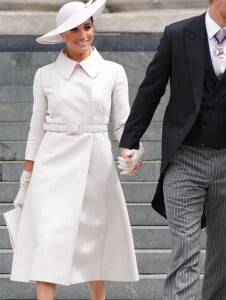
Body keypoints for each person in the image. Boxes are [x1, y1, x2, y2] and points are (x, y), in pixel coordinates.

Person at [118, 0, 226, 299]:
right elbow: (151, 89)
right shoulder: (177, 34)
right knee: (184, 252)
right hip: (184, 159)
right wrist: (129, 139)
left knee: (225, 259)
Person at [10, 1, 139, 299]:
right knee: (48, 241)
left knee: (95, 239)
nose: (83, 34)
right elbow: (35, 129)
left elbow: (123, 124)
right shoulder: (44, 75)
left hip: (97, 162)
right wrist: (26, 180)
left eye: (88, 27)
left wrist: (132, 149)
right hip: (51, 163)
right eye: (75, 29)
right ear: (62, 34)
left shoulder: (113, 72)